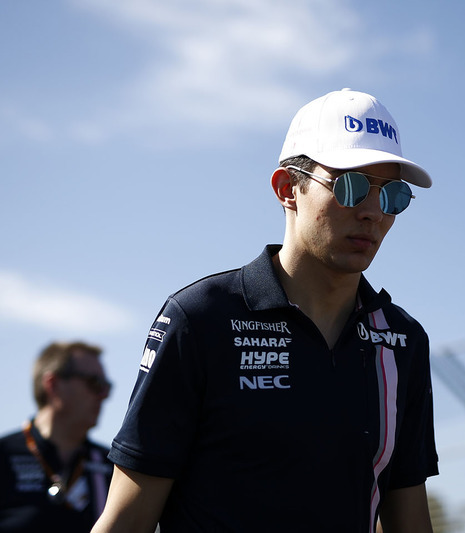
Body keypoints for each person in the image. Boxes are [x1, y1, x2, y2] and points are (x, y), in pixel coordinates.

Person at [92, 88, 438, 533]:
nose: (373, 212)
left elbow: (409, 519)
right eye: (350, 186)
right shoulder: (199, 320)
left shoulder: (403, 340)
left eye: (392, 195)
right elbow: (126, 521)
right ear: (286, 189)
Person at [0, 341, 114, 532]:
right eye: (95, 383)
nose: (104, 395)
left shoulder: (112, 467)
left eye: (107, 386)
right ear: (52, 385)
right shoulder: (4, 456)